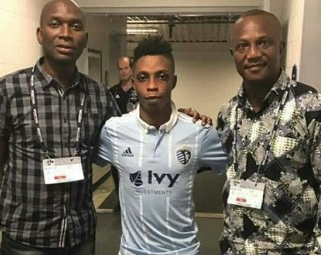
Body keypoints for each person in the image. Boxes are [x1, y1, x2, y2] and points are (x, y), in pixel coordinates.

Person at [0, 1, 120, 254]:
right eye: (55, 24)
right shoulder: (7, 90)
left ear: (85, 39)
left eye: (75, 26)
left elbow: (132, 135)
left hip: (81, 237)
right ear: (40, 34)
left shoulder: (99, 95)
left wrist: (178, 114)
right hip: (25, 239)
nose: (65, 33)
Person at [217, 9, 321, 254]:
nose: (253, 54)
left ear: (280, 47)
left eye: (263, 42)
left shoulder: (314, 108)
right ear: (233, 54)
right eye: (243, 46)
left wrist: (319, 251)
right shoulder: (228, 113)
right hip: (235, 249)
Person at [96, 36, 228, 255]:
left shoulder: (200, 133)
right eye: (143, 77)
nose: (152, 86)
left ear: (173, 81)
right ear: (134, 82)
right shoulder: (114, 131)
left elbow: (237, 169)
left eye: (161, 76)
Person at [108, 56, 138, 212]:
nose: (123, 72)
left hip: (135, 139)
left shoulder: (139, 90)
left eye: (126, 68)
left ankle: (134, 201)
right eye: (120, 69)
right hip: (117, 140)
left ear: (132, 69)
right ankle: (121, 201)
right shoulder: (112, 92)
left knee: (134, 172)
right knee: (117, 171)